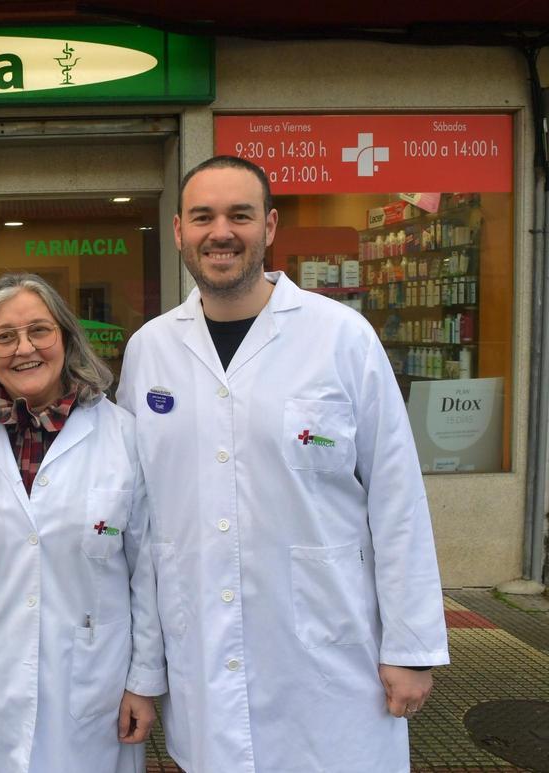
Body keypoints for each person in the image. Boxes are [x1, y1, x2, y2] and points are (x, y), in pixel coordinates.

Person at [117, 155, 449, 772]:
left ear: (269, 226)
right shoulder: (149, 351)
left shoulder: (341, 337)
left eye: (240, 215)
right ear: (178, 231)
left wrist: (412, 646)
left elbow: (397, 498)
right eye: (203, 216)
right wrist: (144, 666)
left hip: (331, 658)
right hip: (204, 656)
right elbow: (138, 521)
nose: (221, 232)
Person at [0, 272, 165, 773]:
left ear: (65, 337)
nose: (25, 348)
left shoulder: (122, 435)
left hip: (95, 681)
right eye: (4, 337)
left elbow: (148, 568)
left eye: (39, 330)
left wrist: (144, 681)